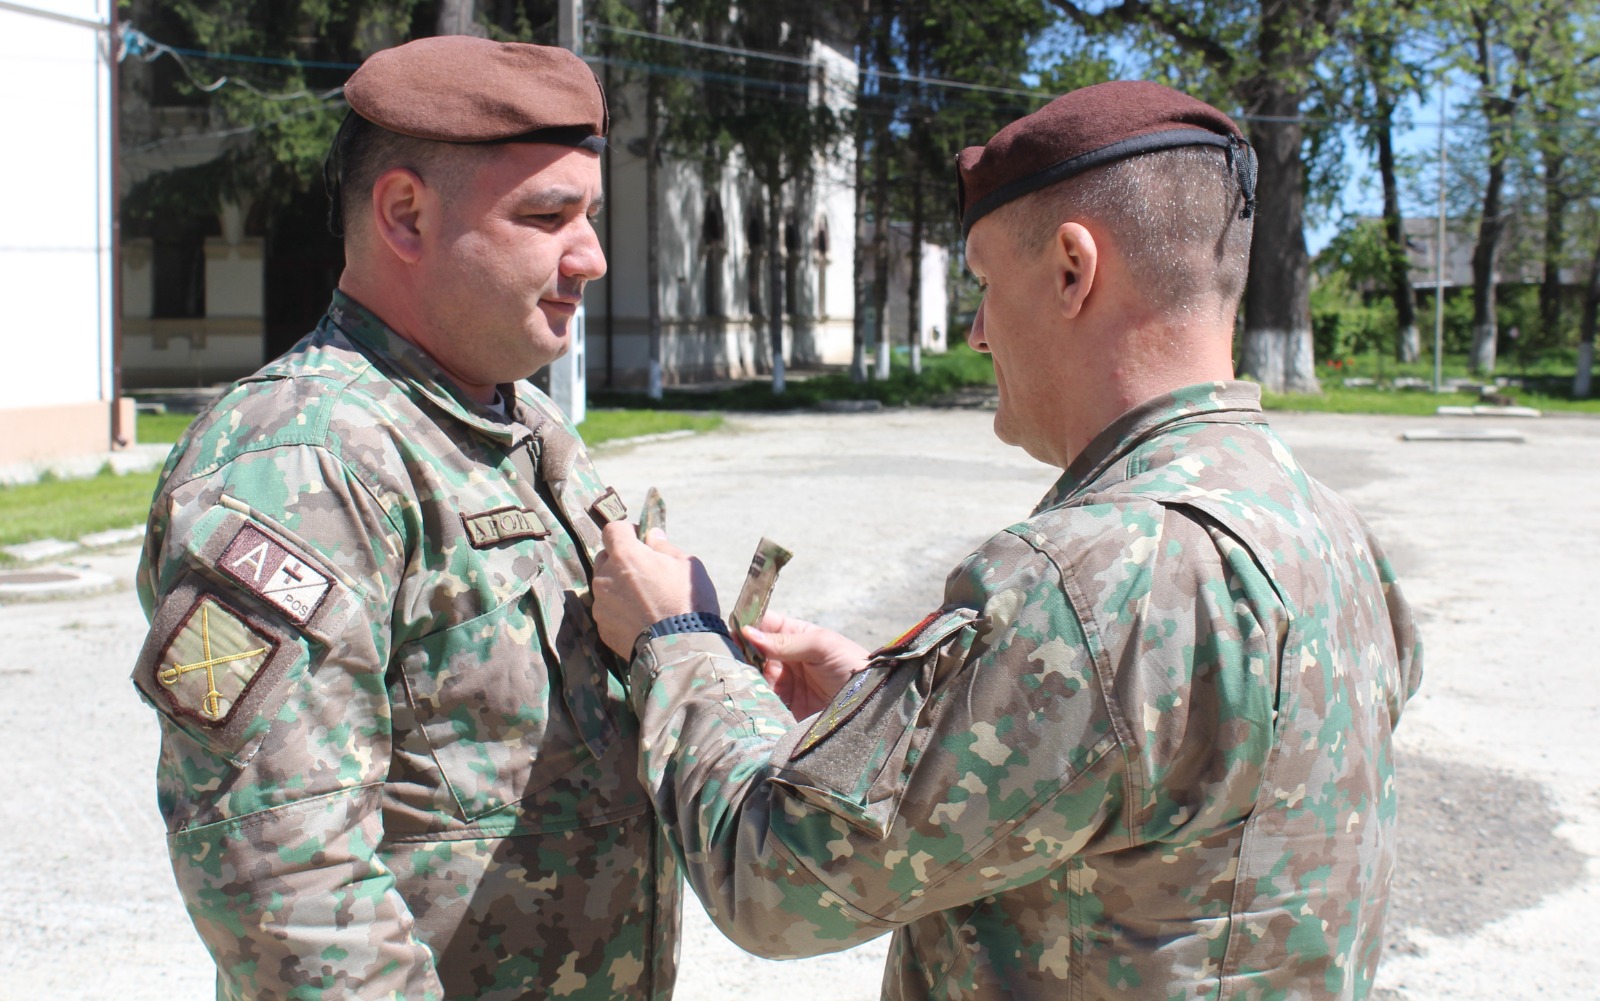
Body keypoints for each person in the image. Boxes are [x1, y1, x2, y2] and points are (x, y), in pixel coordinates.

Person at [590, 80, 1423, 1000]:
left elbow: (778, 880)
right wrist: (896, 713)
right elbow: (1151, 775)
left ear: (1072, 269)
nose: (978, 333)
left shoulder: (1084, 577)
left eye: (985, 284)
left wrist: (678, 643)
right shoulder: (1329, 528)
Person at [131, 36, 680, 1001]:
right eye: (548, 216)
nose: (591, 258)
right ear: (405, 215)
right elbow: (278, 873)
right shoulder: (301, 459)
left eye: (589, 217)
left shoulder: (519, 423)